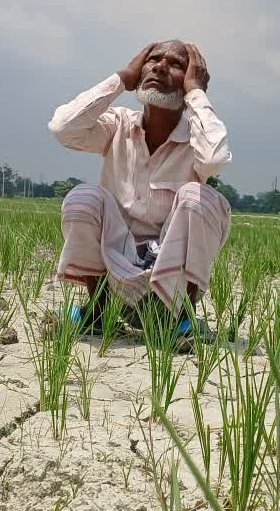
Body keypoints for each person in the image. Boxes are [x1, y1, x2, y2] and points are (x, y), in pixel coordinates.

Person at [48, 40, 231, 344]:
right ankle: (98, 311)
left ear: (189, 80)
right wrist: (121, 78)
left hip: (169, 273)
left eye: (175, 64)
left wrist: (197, 94)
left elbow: (214, 160)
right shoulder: (118, 125)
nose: (159, 66)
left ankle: (178, 317)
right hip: (116, 264)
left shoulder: (196, 135)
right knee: (82, 199)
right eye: (152, 59)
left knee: (201, 199)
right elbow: (63, 129)